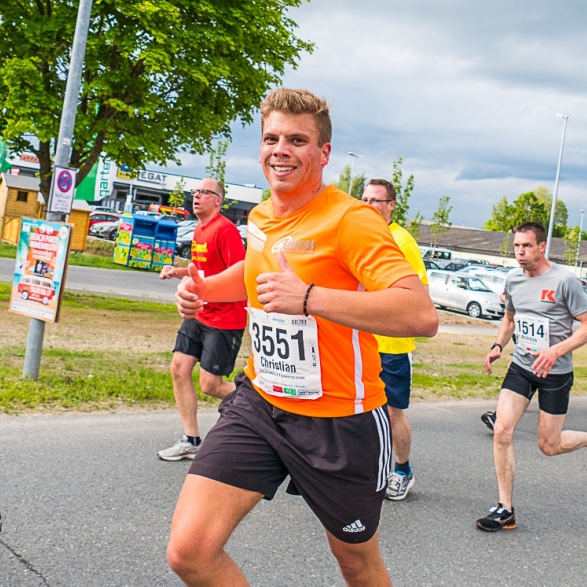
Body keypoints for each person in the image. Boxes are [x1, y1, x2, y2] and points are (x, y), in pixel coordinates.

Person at [165, 88, 438, 586]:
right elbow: (256, 269)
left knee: (357, 566)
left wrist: (309, 297)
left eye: (297, 139)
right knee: (190, 552)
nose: (280, 149)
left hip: (341, 421)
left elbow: (420, 314)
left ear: (324, 153)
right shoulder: (262, 216)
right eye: (271, 138)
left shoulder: (351, 220)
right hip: (262, 403)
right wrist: (206, 289)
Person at [478, 222, 587, 533]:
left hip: (555, 372)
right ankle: (505, 509)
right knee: (501, 431)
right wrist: (498, 345)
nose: (520, 252)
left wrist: (555, 351)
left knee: (548, 446)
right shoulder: (513, 280)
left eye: (526, 246)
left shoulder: (565, 281)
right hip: (522, 367)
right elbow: (510, 317)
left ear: (542, 247)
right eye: (516, 246)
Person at [157, 178, 247, 461]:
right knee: (179, 367)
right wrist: (179, 272)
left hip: (225, 319)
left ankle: (263, 408)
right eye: (195, 192)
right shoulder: (199, 229)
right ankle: (191, 439)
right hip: (200, 313)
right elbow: (204, 272)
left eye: (204, 192)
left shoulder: (226, 231)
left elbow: (240, 275)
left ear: (218, 200)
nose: (196, 196)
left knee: (211, 385)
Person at [361, 178, 429, 501]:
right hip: (358, 342)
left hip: (392, 347)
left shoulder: (402, 242)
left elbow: (420, 299)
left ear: (391, 206)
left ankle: (402, 470)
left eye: (376, 201)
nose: (368, 206)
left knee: (392, 413)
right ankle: (363, 468)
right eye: (364, 199)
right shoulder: (358, 237)